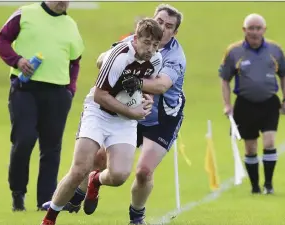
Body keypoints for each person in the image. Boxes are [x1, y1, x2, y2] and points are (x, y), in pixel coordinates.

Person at [42, 5, 186, 224]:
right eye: (159, 21)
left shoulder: (170, 56)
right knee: (91, 162)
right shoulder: (132, 43)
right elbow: (102, 65)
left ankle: (135, 215)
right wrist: (110, 60)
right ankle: (62, 203)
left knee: (141, 172)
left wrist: (139, 89)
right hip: (118, 111)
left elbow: (160, 86)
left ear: (175, 32)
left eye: (169, 26)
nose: (162, 28)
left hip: (160, 118)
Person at [0, 1, 84, 211]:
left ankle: (46, 201)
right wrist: (16, 61)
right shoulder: (25, 14)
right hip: (25, 89)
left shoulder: (70, 24)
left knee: (52, 148)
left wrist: (70, 89)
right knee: (24, 140)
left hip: (58, 93)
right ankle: (18, 193)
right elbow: (2, 39)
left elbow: (75, 61)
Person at [219, 13, 285, 195]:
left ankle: (268, 184)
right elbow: (225, 79)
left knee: (269, 142)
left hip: (269, 103)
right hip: (245, 104)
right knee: (250, 147)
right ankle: (255, 187)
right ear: (244, 30)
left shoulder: (275, 50)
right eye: (250, 28)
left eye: (258, 28)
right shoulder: (234, 52)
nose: (254, 32)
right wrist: (227, 105)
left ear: (264, 30)